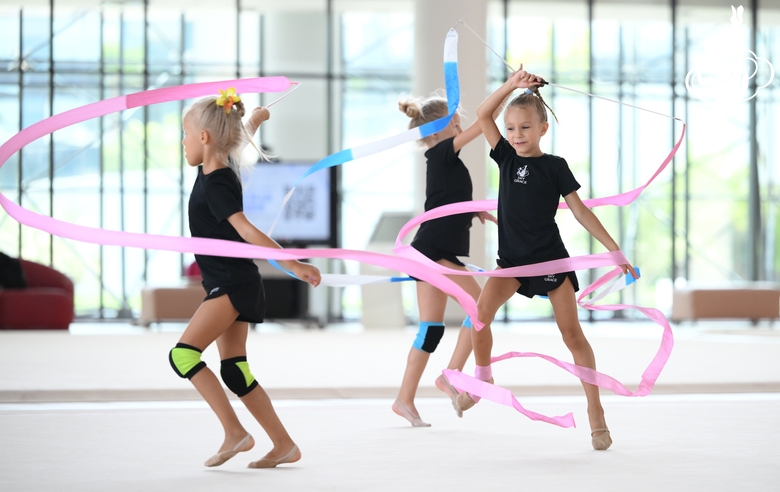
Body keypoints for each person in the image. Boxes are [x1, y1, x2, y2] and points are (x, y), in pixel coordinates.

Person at [455, 68, 637, 451]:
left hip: (551, 263)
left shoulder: (555, 166)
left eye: (525, 127)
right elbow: (484, 116)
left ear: (542, 129)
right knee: (479, 315)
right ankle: (484, 377)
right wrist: (512, 85)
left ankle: (596, 412)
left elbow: (582, 212)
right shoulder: (504, 157)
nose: (516, 135)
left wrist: (613, 249)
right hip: (513, 266)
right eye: (511, 128)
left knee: (572, 336)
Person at [171, 89, 321, 468]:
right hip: (233, 281)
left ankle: (235, 432)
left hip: (231, 284)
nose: (183, 141)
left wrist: (293, 263)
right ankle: (284, 444)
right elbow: (232, 137)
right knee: (235, 370)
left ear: (204, 138)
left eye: (185, 134)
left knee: (183, 355)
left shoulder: (217, 180)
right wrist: (253, 120)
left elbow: (245, 229)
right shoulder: (218, 165)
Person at [392, 94, 499, 427]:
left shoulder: (445, 161)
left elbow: (447, 198)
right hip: (434, 251)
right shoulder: (441, 152)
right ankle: (451, 376)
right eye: (455, 122)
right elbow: (484, 123)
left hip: (430, 250)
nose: (460, 126)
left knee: (430, 329)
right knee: (480, 307)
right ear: (439, 128)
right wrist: (509, 89)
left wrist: (473, 210)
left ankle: (404, 400)